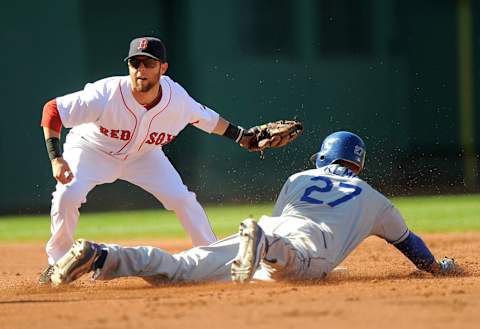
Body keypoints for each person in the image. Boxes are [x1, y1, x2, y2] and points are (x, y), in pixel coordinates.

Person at [39, 36, 296, 284]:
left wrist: (242, 136)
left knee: (182, 199)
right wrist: (56, 158)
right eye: (135, 63)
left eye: (149, 63)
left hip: (144, 156)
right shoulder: (105, 93)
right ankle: (58, 261)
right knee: (67, 195)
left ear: (163, 68)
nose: (141, 69)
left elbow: (206, 119)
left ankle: (214, 260)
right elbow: (53, 110)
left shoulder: (177, 99)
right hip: (92, 150)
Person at [49, 131, 458, 286]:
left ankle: (103, 255)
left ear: (321, 158)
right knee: (290, 262)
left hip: (264, 231)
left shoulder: (299, 179)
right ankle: (263, 243)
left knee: (180, 269)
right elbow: (413, 247)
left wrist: (262, 237)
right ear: (359, 165)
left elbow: (282, 218)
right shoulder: (376, 200)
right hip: (284, 244)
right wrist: (438, 268)